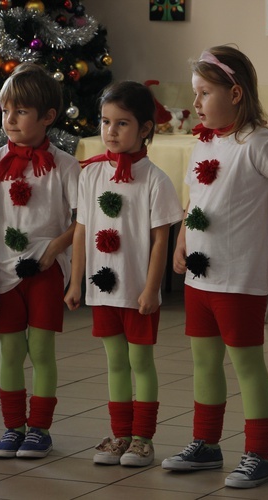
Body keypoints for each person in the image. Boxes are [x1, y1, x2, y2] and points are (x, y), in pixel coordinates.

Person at [161, 45, 268, 489]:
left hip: (240, 276)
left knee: (247, 365)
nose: (196, 103)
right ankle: (206, 444)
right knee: (203, 361)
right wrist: (183, 238)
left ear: (236, 93)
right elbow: (197, 198)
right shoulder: (206, 140)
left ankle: (259, 454)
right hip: (201, 275)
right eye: (195, 93)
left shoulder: (259, 143)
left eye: (204, 93)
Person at [65, 81, 183, 467]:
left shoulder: (155, 180)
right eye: (105, 122)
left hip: (138, 292)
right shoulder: (91, 175)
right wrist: (75, 280)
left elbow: (160, 240)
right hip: (103, 292)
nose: (110, 132)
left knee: (140, 363)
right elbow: (82, 229)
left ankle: (143, 439)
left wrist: (152, 288)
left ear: (145, 128)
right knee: (115, 362)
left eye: (122, 124)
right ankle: (119, 433)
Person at [0, 62, 79, 459]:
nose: (10, 120)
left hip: (44, 269)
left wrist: (55, 249)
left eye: (20, 111)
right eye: (6, 110)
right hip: (2, 270)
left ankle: (39, 428)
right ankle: (11, 427)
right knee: (9, 352)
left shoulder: (65, 166)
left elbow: (85, 219)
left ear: (48, 117)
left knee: (40, 351)